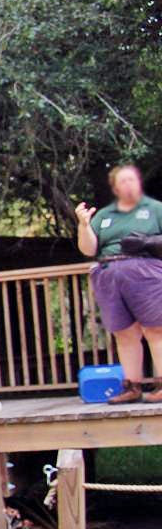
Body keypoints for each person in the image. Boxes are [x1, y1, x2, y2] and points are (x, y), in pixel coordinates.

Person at [77, 163, 162, 403]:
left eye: (132, 180)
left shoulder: (155, 209)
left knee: (156, 328)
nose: (128, 185)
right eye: (123, 181)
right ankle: (132, 387)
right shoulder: (104, 215)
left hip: (146, 270)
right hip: (109, 271)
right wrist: (84, 225)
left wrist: (147, 242)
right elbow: (88, 248)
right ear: (115, 187)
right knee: (123, 333)